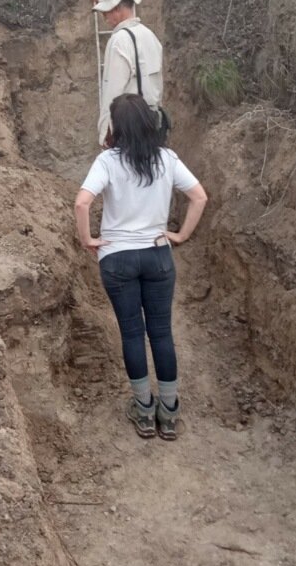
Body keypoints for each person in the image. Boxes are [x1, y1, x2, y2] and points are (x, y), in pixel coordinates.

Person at [74, 94, 207, 440]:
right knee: (161, 333)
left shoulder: (107, 161)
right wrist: (180, 235)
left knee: (132, 333)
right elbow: (199, 197)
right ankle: (170, 412)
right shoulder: (166, 158)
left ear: (117, 126)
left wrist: (88, 239)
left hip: (117, 259)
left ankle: (144, 412)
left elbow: (82, 202)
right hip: (157, 254)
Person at [92, 0, 163, 147]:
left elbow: (113, 91)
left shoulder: (119, 41)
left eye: (106, 13)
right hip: (152, 123)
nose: (105, 18)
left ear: (117, 8)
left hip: (129, 129)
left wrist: (106, 132)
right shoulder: (150, 35)